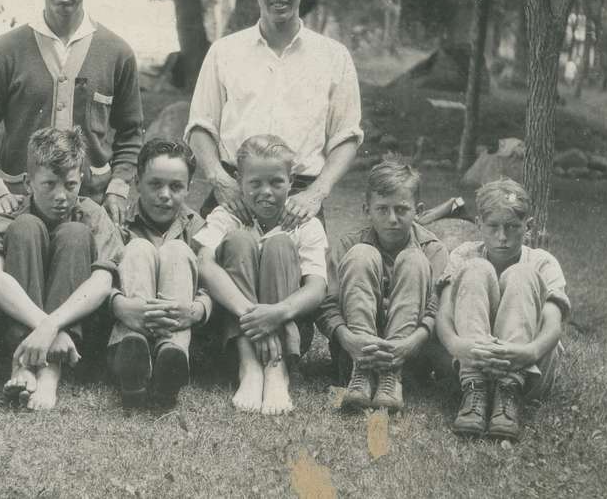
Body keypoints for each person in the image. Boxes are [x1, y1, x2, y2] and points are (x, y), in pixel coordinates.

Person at [0, 0, 144, 226]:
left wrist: (118, 187)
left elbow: (132, 132)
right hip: (19, 205)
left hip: (91, 202)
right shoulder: (6, 50)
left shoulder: (117, 52)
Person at [186, 0, 362, 226]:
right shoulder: (224, 52)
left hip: (299, 202)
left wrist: (316, 193)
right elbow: (200, 127)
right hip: (234, 195)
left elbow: (347, 136)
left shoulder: (334, 56)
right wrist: (219, 180)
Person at [0, 127, 123, 411]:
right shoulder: (8, 216)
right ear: (28, 183)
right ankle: (21, 362)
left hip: (75, 335)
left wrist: (55, 325)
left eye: (70, 185)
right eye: (49, 185)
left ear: (80, 181)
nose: (61, 196)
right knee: (25, 228)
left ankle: (49, 373)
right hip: (16, 329)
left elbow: (102, 283)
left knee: (75, 233)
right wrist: (46, 327)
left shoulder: (93, 216)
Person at [193, 135, 328, 416]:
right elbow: (204, 264)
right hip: (234, 330)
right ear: (239, 182)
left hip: (287, 327)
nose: (265, 191)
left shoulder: (306, 224)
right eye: (255, 183)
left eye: (276, 182)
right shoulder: (226, 215)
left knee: (279, 243)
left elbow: (317, 288)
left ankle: (276, 370)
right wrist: (253, 315)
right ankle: (250, 367)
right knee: (240, 239)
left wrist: (276, 313)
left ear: (291, 181)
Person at [437, 178, 569, 442]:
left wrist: (528, 352)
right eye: (493, 227)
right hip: (469, 364)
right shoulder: (464, 255)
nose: (502, 237)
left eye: (512, 227)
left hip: (528, 366)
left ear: (528, 227)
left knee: (522, 274)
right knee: (476, 268)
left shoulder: (543, 262)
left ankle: (508, 395)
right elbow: (444, 314)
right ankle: (475, 391)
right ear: (478, 225)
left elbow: (554, 325)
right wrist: (456, 345)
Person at [316, 160, 450, 413]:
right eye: (382, 209)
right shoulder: (349, 245)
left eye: (401, 209)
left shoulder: (433, 249)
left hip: (409, 357)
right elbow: (327, 304)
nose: (392, 219)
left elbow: (439, 309)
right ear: (367, 209)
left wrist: (411, 343)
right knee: (361, 255)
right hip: (354, 354)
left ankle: (391, 377)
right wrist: (349, 339)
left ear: (418, 210)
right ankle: (363, 375)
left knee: (414, 260)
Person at [107, 138, 212, 408]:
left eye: (176, 186)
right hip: (130, 321)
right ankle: (132, 356)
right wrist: (120, 305)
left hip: (178, 325)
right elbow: (100, 277)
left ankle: (170, 359)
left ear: (189, 188)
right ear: (137, 182)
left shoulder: (199, 228)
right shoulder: (118, 224)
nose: (165, 194)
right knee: (138, 247)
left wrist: (197, 310)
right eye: (155, 184)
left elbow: (211, 285)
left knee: (176, 250)